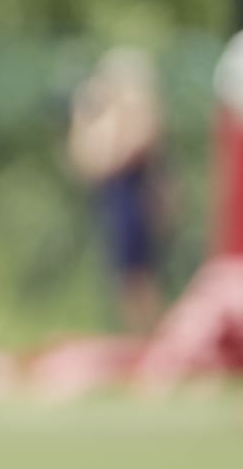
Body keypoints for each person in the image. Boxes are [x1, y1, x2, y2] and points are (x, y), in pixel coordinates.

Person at [66, 46, 169, 335]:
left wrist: (110, 114)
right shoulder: (107, 116)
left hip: (137, 203)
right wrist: (86, 115)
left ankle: (150, 341)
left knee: (140, 279)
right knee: (122, 279)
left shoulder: (139, 112)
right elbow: (87, 162)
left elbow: (120, 155)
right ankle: (138, 339)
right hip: (113, 202)